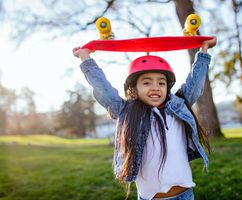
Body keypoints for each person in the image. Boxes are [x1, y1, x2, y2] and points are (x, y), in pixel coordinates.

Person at [73, 37, 217, 200]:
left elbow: (195, 84)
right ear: (134, 88)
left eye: (161, 83)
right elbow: (103, 88)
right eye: (147, 83)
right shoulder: (126, 112)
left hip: (185, 195)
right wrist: (85, 58)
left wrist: (204, 51)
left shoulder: (177, 106)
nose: (156, 87)